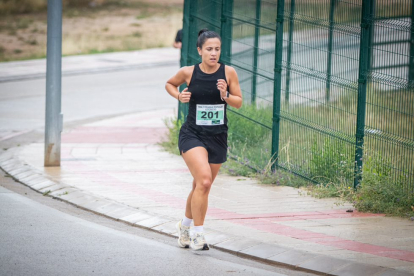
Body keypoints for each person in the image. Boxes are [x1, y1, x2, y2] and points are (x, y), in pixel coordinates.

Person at [165, 28, 242, 250]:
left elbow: (238, 102)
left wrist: (225, 96)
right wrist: (179, 95)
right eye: (209, 49)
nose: (213, 53)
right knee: (205, 181)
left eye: (217, 49)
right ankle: (198, 234)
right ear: (199, 50)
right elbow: (170, 84)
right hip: (192, 134)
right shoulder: (189, 72)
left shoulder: (229, 73)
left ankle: (185, 226)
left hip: (217, 136)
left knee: (201, 186)